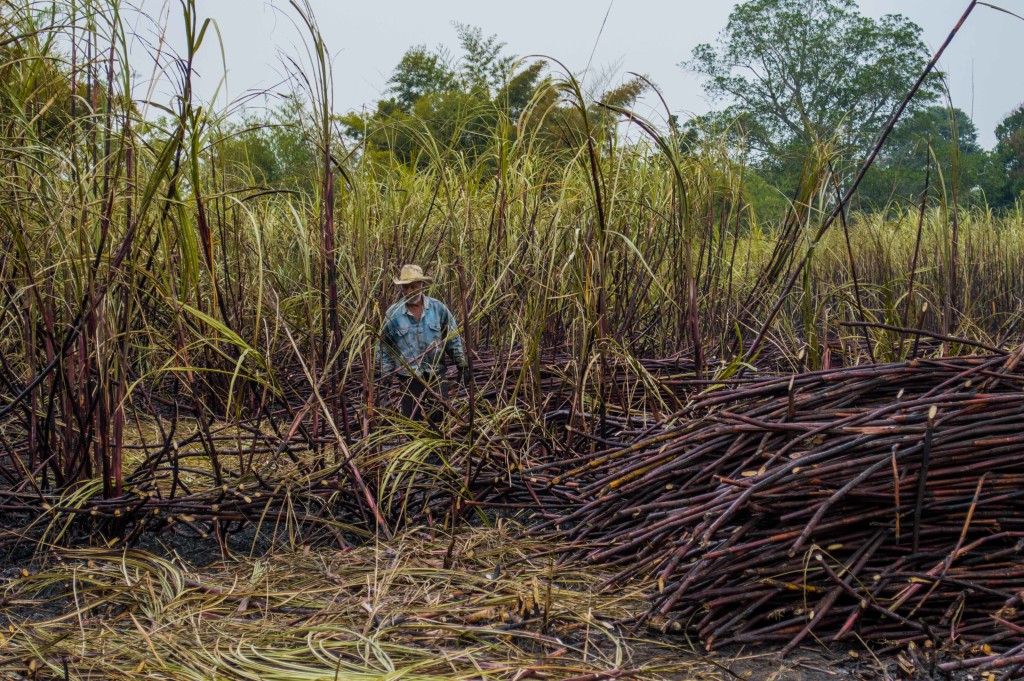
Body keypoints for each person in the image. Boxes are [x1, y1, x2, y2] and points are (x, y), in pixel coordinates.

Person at [377, 264, 468, 421]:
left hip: (435, 375)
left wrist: (461, 364)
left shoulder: (438, 309)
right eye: (405, 287)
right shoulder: (393, 314)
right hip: (409, 378)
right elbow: (384, 345)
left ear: (422, 285)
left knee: (439, 418)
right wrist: (386, 372)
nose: (409, 291)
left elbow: (452, 338)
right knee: (412, 420)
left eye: (414, 286)